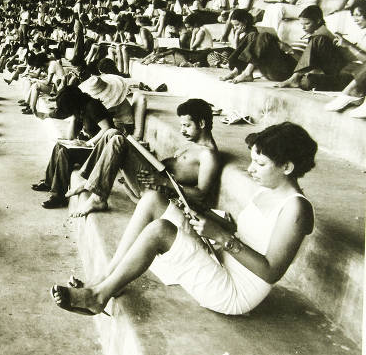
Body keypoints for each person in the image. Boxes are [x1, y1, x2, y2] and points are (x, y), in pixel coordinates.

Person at [51, 122, 316, 317]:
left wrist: (222, 236)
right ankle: (105, 277)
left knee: (161, 230)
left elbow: (271, 271)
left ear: (287, 167)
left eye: (260, 164)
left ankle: (98, 297)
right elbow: (243, 233)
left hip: (234, 291)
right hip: (223, 257)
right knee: (154, 199)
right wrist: (202, 216)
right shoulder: (267, 190)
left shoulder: (296, 210)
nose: (250, 169)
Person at [68, 98, 220, 218]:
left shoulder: (209, 156)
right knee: (111, 133)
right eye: (181, 125)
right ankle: (89, 181)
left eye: (186, 126)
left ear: (201, 123)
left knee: (117, 141)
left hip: (158, 189)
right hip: (153, 176)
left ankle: (98, 199)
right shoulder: (192, 143)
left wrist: (164, 182)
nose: (182, 130)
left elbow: (200, 195)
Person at [32, 87, 113, 209]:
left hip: (101, 150)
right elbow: (71, 137)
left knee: (65, 152)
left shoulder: (92, 106)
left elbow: (107, 128)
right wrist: (74, 118)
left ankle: (58, 196)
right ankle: (49, 182)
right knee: (59, 145)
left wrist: (89, 142)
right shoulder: (80, 109)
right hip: (90, 147)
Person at [275, 5, 349, 90]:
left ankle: (295, 77)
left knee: (319, 39)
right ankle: (296, 78)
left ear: (318, 21)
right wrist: (290, 51)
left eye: (307, 23)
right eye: (302, 24)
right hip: (322, 70)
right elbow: (307, 63)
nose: (303, 27)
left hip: (336, 68)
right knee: (307, 82)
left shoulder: (322, 38)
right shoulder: (310, 37)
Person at [219, 9, 297, 84]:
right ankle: (237, 72)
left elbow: (298, 59)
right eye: (233, 26)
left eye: (237, 25)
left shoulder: (253, 34)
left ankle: (245, 72)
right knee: (257, 36)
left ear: (245, 22)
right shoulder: (250, 35)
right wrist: (236, 35)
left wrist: (286, 48)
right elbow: (238, 52)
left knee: (264, 35)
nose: (235, 28)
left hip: (284, 72)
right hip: (269, 71)